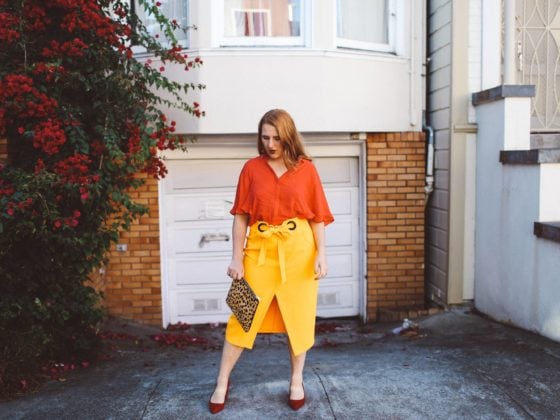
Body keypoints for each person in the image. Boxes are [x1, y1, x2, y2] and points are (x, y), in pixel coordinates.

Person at [208, 109, 334, 414]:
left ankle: (296, 380)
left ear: (288, 136)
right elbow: (241, 218)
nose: (271, 143)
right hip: (259, 251)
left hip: (298, 253)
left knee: (299, 319)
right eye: (265, 137)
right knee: (242, 315)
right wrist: (237, 258)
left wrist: (322, 254)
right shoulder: (251, 168)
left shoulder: (306, 169)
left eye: (277, 137)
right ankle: (222, 383)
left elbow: (316, 217)